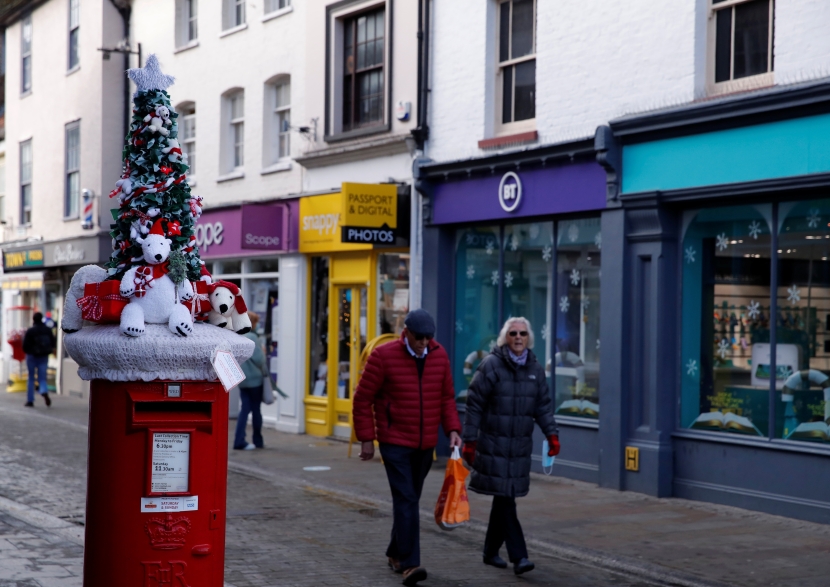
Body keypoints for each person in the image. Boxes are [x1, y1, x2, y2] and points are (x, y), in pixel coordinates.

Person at [353, 309, 462, 586]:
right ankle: (411, 564)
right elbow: (362, 398)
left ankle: (394, 552)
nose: (424, 342)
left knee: (409, 499)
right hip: (394, 441)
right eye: (419, 337)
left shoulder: (439, 355)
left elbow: (446, 397)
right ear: (407, 333)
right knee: (406, 500)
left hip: (425, 444)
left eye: (428, 337)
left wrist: (452, 430)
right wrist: (367, 439)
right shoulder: (384, 356)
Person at [462, 317, 560, 576]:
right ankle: (520, 556)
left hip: (518, 447)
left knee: (504, 498)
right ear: (505, 337)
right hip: (494, 444)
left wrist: (552, 435)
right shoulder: (491, 365)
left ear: (529, 338)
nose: (518, 337)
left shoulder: (535, 369)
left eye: (523, 334)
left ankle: (490, 551)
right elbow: (474, 404)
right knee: (507, 501)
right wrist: (469, 440)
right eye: (513, 333)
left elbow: (542, 406)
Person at [234, 312, 267, 450]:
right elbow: (260, 360)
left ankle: (238, 439)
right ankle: (258, 440)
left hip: (242, 380)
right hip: (255, 381)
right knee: (256, 410)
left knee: (244, 410)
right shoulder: (252, 337)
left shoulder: (237, 337)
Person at [22, 312, 55, 408]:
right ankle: (44, 391)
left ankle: (30, 400)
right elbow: (53, 343)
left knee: (31, 378)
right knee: (42, 378)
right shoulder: (48, 330)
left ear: (33, 319)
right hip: (44, 356)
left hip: (32, 357)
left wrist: (30, 351)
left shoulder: (30, 331)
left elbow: (24, 346)